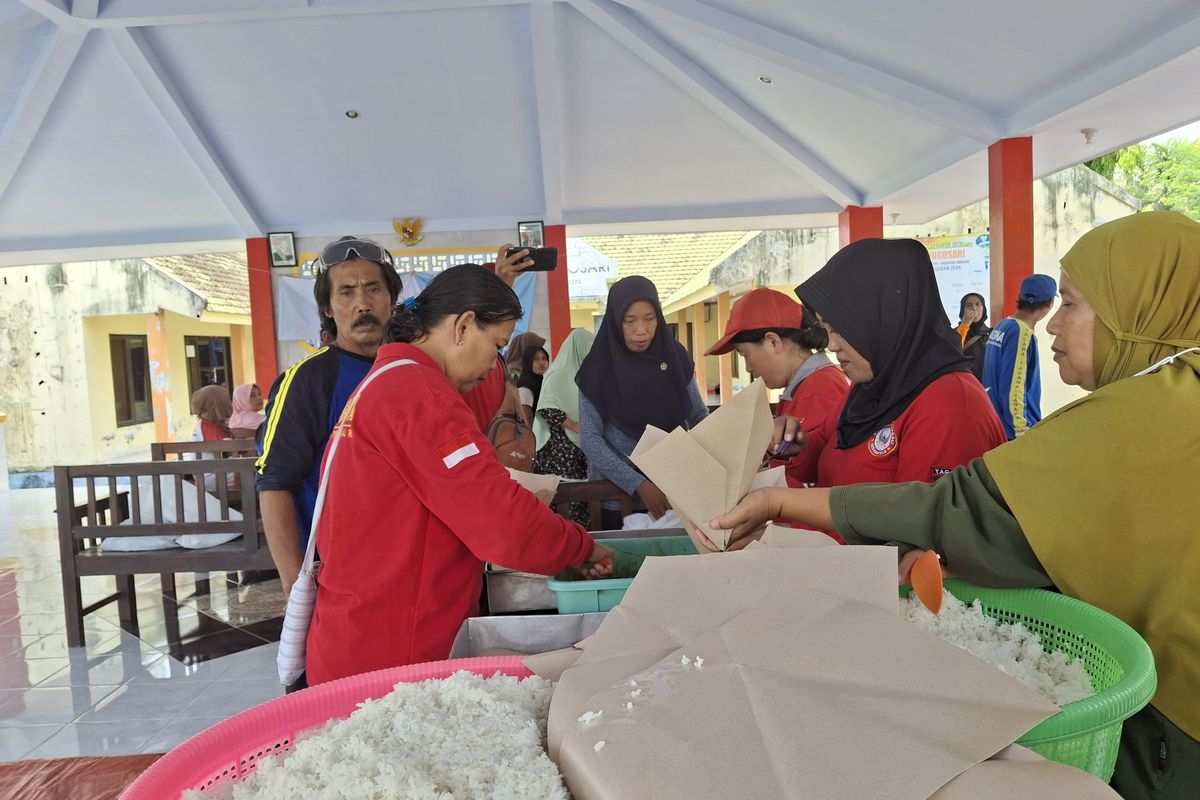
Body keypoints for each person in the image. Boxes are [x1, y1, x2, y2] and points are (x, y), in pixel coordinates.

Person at [705, 212, 1200, 800]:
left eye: (1070, 304)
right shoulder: (867, 394)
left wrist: (782, 504)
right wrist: (796, 452)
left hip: (1171, 716)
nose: (1051, 326)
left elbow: (958, 518)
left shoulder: (1132, 414)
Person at [305, 265, 613, 685]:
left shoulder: (387, 381)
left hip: (361, 632)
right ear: (464, 325)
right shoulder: (419, 393)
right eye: (497, 346)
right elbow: (502, 522)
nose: (494, 366)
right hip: (392, 651)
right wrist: (583, 549)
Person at [256, 236, 531, 599]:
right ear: (326, 306)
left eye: (373, 289)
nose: (362, 303)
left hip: (426, 577)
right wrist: (296, 588)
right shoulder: (309, 380)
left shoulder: (420, 368)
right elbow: (274, 482)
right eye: (346, 292)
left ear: (392, 296)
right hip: (345, 582)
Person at [771, 239, 1005, 540]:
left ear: (884, 317)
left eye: (840, 328)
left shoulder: (949, 405)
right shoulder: (871, 387)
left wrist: (782, 520)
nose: (831, 344)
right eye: (826, 330)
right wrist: (792, 443)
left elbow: (915, 535)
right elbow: (823, 452)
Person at [576, 276, 708, 524]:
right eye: (630, 321)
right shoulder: (597, 368)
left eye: (650, 319)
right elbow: (591, 440)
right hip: (616, 498)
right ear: (616, 321)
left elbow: (699, 416)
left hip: (675, 491)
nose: (641, 330)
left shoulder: (674, 356)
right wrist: (639, 484)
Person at [704, 288, 849, 488]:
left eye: (744, 354)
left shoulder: (819, 390)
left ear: (773, 342)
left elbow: (814, 483)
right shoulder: (803, 387)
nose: (748, 368)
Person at [981, 274, 1057, 439]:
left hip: (996, 425)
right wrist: (1022, 434)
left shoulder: (1002, 326)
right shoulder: (1021, 334)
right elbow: (1014, 389)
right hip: (1013, 433)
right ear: (1050, 303)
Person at [533, 328, 595, 525]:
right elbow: (546, 408)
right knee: (567, 499)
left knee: (580, 495)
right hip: (558, 449)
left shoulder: (580, 372)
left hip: (575, 446)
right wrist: (573, 425)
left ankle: (581, 538)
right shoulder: (559, 373)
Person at [954, 292, 991, 379]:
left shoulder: (992, 333)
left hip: (986, 386)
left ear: (983, 308)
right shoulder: (954, 333)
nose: (974, 308)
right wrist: (964, 325)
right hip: (965, 383)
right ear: (962, 310)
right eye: (968, 305)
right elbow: (954, 350)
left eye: (978, 304)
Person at [516, 344, 549, 422]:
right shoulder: (526, 386)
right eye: (535, 359)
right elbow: (525, 418)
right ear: (528, 361)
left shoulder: (541, 381)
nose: (541, 362)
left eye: (544, 358)